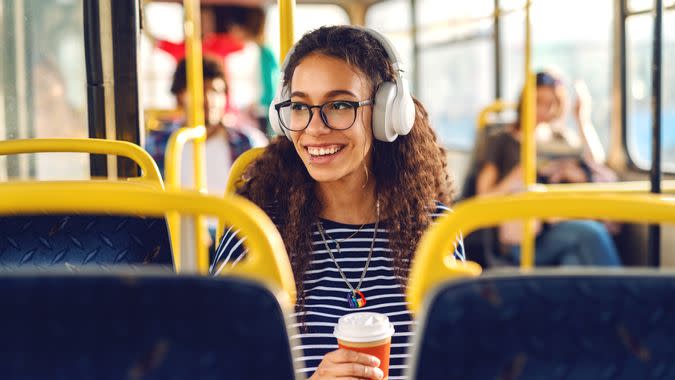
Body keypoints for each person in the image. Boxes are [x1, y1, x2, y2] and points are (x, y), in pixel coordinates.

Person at [210, 26, 464, 379]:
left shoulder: (437, 230)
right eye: (299, 106)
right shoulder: (255, 234)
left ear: (385, 114)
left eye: (339, 105)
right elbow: (215, 365)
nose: (314, 127)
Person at [475, 70, 621, 266]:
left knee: (573, 263)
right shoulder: (502, 141)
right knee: (593, 233)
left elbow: (596, 163)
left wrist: (581, 120)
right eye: (538, 102)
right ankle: (625, 295)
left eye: (551, 104)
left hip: (559, 223)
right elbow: (482, 198)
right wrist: (516, 178)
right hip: (525, 235)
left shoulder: (558, 137)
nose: (544, 110)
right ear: (525, 102)